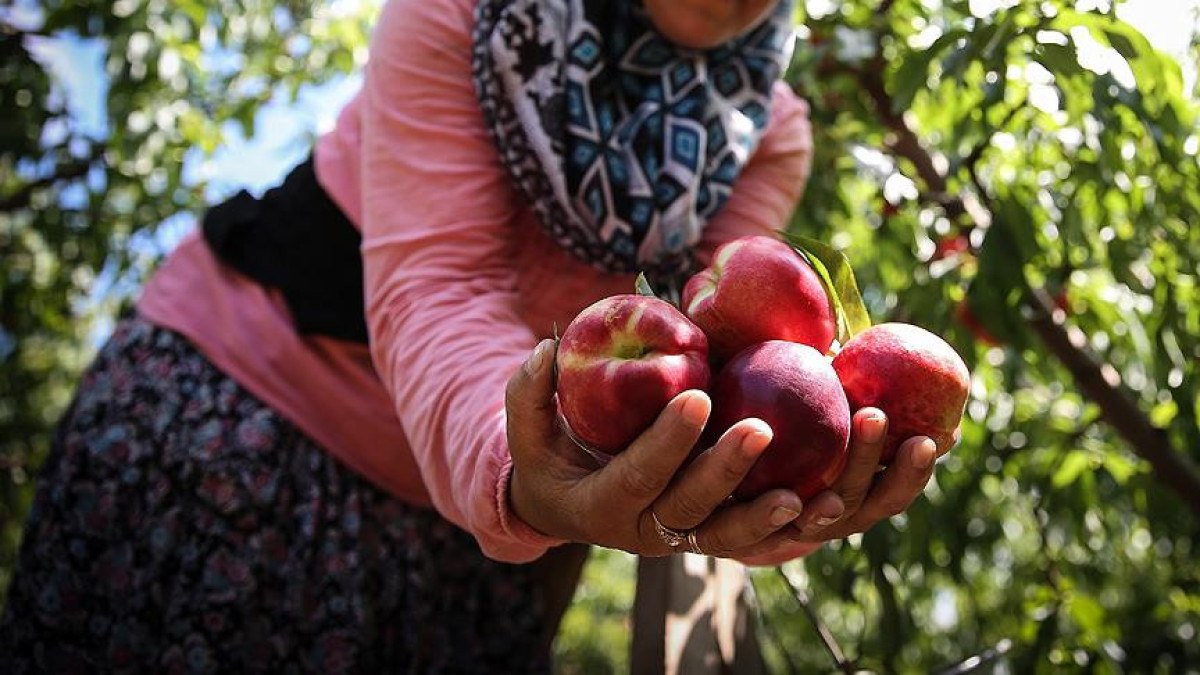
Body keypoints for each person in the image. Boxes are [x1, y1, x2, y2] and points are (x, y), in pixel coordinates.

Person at [0, 0, 945, 671]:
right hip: (246, 432)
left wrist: (777, 470)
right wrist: (522, 477)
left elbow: (730, 352)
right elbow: (440, 283)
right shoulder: (460, 9)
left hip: (486, 541)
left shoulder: (768, 131)